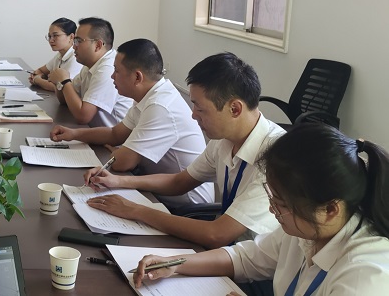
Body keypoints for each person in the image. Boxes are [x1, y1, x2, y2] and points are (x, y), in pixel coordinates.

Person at [130, 124, 389, 296]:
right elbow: (247, 257)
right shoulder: (308, 229)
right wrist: (176, 264)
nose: (272, 209)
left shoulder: (365, 277)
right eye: (272, 196)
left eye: (281, 204)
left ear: (330, 210)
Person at [85, 53, 283, 247]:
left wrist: (136, 210)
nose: (193, 115)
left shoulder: (275, 159)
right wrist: (117, 181)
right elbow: (179, 182)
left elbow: (217, 234)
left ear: (235, 109)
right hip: (229, 252)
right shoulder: (224, 140)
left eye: (200, 108)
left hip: (253, 261)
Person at [51, 38, 211, 207]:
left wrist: (122, 153)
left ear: (137, 77)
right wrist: (74, 134)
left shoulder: (160, 106)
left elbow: (122, 163)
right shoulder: (149, 96)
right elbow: (115, 134)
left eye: (117, 71)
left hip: (183, 203)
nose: (112, 76)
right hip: (154, 189)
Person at [45, 17, 131, 126]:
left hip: (112, 135)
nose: (74, 46)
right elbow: (64, 100)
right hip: (94, 130)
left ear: (98, 45)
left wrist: (65, 81)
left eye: (78, 41)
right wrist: (59, 82)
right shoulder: (89, 65)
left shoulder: (108, 69)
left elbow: (83, 117)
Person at [29, 17, 85, 92]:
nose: (51, 40)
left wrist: (37, 80)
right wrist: (42, 77)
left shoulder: (76, 58)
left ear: (71, 37)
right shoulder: (60, 55)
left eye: (55, 35)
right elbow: (40, 71)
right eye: (49, 36)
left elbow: (62, 88)